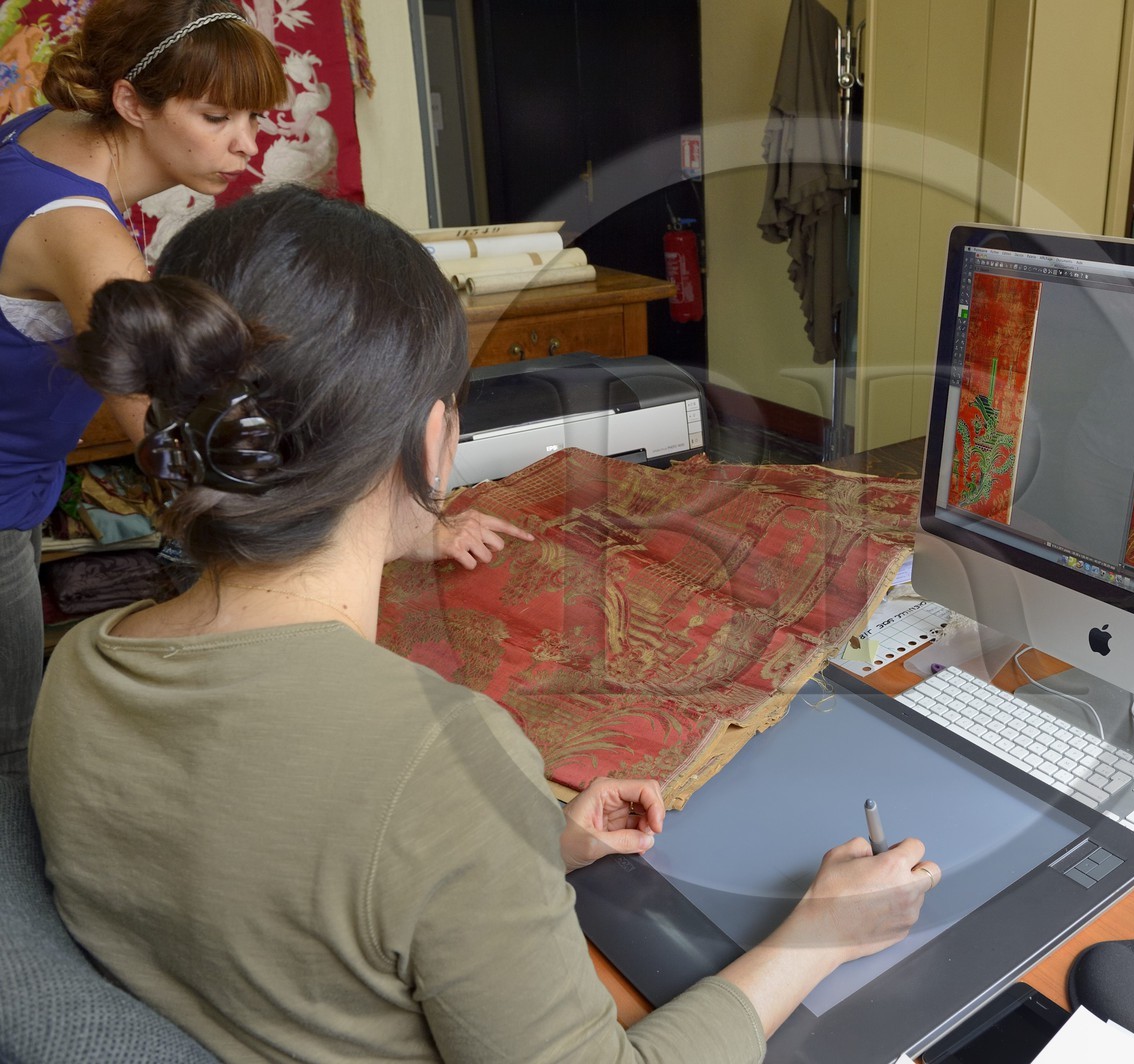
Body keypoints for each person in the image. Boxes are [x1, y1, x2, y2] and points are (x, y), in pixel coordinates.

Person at [29, 185, 940, 1062]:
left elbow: (279, 876)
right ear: (435, 441)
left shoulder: (75, 669)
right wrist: (820, 939)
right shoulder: (439, 759)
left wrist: (527, 844)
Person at [0, 2, 516, 775]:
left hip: (23, 470)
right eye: (214, 116)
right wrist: (399, 515)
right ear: (131, 100)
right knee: (14, 742)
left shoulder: (37, 133)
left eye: (252, 115)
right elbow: (175, 437)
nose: (246, 146)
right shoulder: (83, 236)